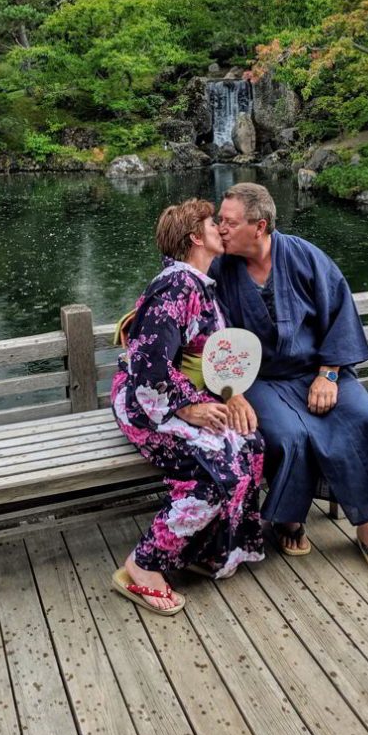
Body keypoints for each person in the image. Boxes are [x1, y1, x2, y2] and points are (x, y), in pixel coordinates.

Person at [211, 183, 368, 578]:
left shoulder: (304, 256)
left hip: (318, 368)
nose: (220, 228)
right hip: (258, 380)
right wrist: (231, 392)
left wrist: (329, 375)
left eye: (228, 222)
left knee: (364, 420)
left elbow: (340, 315)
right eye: (218, 221)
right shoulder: (220, 270)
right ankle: (289, 520)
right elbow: (208, 336)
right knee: (288, 436)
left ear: (259, 226)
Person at [110, 198, 265, 615]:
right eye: (213, 223)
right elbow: (148, 365)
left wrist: (229, 397)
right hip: (147, 404)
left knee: (249, 446)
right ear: (196, 237)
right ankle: (144, 564)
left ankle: (204, 550)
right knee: (215, 475)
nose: (220, 227)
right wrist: (188, 408)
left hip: (179, 396)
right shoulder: (175, 287)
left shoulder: (198, 285)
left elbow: (210, 359)